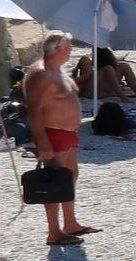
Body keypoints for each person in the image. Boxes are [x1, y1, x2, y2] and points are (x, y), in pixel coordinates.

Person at [24, 32, 93, 244]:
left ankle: (70, 222)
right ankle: (54, 232)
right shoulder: (41, 74)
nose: (71, 49)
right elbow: (34, 110)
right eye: (68, 46)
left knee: (70, 175)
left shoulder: (58, 71)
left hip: (68, 132)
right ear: (57, 49)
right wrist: (43, 144)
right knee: (55, 180)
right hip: (53, 132)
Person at [71, 46, 136, 99]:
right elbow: (74, 81)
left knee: (124, 66)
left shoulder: (103, 68)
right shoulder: (104, 68)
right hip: (91, 92)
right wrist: (87, 75)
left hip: (97, 88)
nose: (92, 56)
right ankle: (125, 96)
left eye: (93, 54)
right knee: (109, 68)